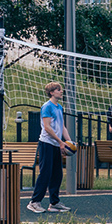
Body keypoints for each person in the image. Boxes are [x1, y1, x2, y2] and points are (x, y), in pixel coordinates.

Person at [27, 82, 74, 214]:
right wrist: (60, 142)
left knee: (57, 174)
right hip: (46, 143)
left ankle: (54, 203)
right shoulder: (47, 107)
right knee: (45, 173)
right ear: (52, 92)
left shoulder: (59, 107)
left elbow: (62, 126)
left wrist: (69, 142)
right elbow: (47, 127)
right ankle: (34, 202)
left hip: (55, 144)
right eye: (58, 90)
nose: (61, 91)